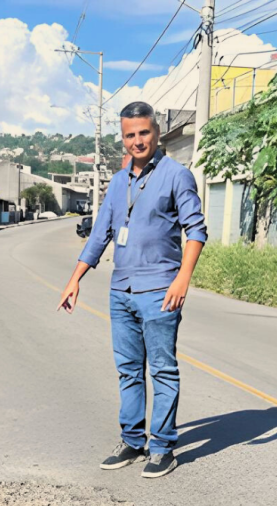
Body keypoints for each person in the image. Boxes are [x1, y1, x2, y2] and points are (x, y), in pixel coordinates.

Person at [58, 101, 207, 479]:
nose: (137, 141)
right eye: (129, 135)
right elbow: (101, 233)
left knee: (162, 369)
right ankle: (132, 440)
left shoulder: (177, 176)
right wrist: (75, 278)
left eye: (143, 132)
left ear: (156, 133)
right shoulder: (119, 182)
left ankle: (162, 447)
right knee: (127, 370)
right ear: (122, 138)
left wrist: (182, 279)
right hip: (121, 290)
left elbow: (197, 231)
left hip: (160, 289)